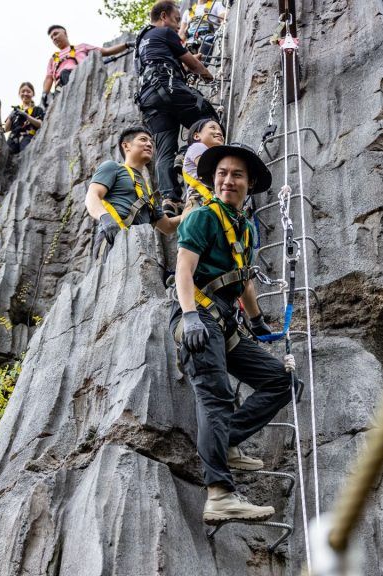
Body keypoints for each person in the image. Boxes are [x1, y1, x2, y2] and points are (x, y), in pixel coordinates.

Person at [170, 143, 293, 524]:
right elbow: (184, 271)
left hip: (225, 323)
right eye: (222, 173)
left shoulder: (246, 228)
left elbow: (243, 280)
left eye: (237, 174)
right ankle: (220, 494)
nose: (228, 180)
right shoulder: (203, 218)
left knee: (279, 380)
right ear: (213, 179)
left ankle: (225, 441)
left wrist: (256, 321)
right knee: (216, 398)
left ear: (249, 183)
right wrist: (189, 315)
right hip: (198, 319)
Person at [135, 1, 218, 218]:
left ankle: (170, 199)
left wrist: (183, 66)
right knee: (207, 120)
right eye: (175, 19)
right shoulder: (164, 32)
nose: (176, 25)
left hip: (149, 99)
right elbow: (194, 65)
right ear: (164, 16)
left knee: (163, 151)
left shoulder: (142, 41)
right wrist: (208, 75)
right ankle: (186, 155)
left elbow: (162, 61)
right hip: (168, 87)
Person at [85, 127, 182, 257]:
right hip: (112, 238)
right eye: (143, 140)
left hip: (139, 247)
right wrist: (106, 218)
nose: (149, 144)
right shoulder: (113, 167)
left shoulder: (147, 192)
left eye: (151, 142)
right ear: (126, 146)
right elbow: (92, 196)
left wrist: (191, 212)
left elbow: (168, 226)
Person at [43, 25, 130, 106]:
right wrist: (44, 94)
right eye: (52, 37)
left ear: (65, 33)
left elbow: (106, 51)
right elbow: (49, 77)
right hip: (61, 88)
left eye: (56, 34)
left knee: (65, 73)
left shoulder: (82, 47)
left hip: (82, 78)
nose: (54, 38)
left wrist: (126, 45)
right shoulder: (54, 58)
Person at [181, 118, 224, 214]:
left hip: (204, 199)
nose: (219, 132)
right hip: (200, 199)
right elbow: (207, 167)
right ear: (196, 136)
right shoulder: (198, 146)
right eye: (212, 128)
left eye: (220, 131)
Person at [4, 82, 45, 154]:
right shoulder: (15, 110)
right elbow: (6, 129)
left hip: (29, 138)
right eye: (23, 91)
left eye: (28, 92)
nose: (25, 94)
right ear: (19, 94)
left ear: (33, 94)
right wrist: (11, 116)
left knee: (26, 154)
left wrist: (26, 116)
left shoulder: (38, 110)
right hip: (13, 139)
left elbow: (40, 124)